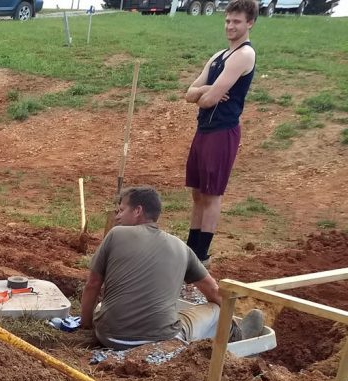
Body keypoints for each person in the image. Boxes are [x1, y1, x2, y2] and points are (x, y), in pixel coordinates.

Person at [80, 185, 264, 350]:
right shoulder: (181, 248)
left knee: (101, 306)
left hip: (109, 337)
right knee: (216, 310)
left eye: (121, 210)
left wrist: (86, 325)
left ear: (138, 211)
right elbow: (215, 293)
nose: (117, 216)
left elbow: (93, 284)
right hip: (161, 341)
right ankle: (239, 336)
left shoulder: (115, 235)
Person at [183, 0, 257, 267]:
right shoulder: (218, 56)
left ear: (250, 23)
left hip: (222, 131)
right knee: (197, 193)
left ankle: (201, 255)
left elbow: (207, 100)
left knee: (212, 194)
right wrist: (205, 91)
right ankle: (191, 250)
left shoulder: (244, 55)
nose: (230, 26)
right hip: (203, 130)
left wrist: (203, 93)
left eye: (236, 21)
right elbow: (191, 93)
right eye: (227, 20)